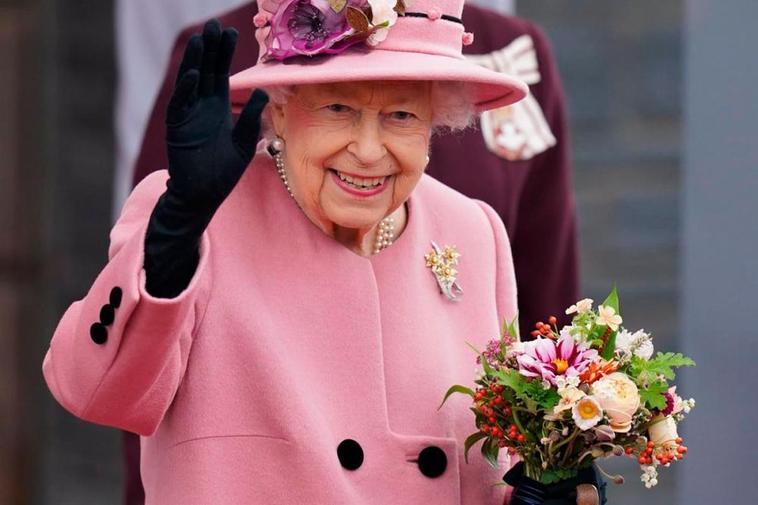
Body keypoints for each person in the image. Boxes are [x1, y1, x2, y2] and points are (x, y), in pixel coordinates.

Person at [46, 1, 595, 503]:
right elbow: (94, 392)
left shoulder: (474, 234)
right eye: (337, 107)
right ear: (279, 110)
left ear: (436, 122)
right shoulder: (198, 219)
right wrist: (173, 238)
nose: (367, 149)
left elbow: (496, 468)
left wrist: (541, 492)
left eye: (401, 116)